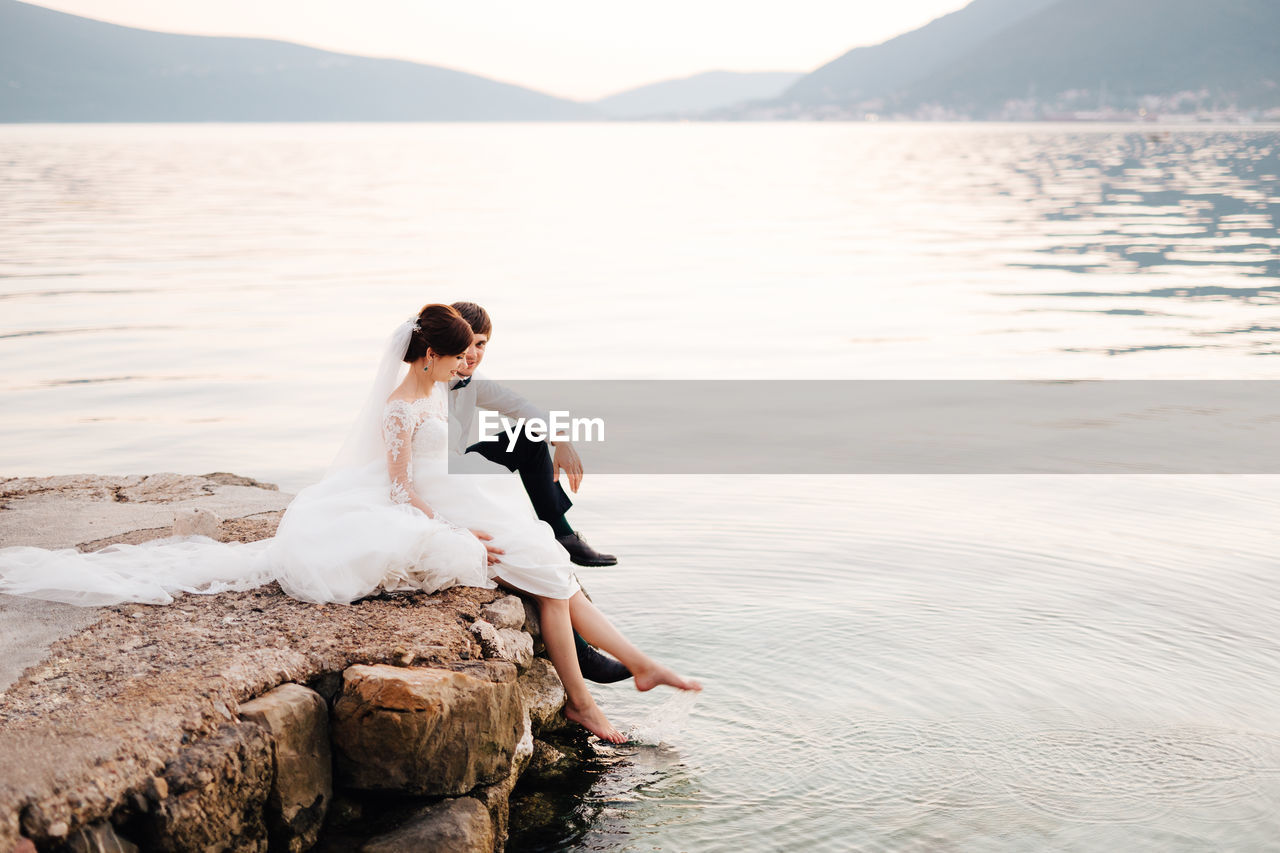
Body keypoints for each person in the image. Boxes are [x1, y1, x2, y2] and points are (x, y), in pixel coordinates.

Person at [0, 304, 701, 742]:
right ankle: (599, 693)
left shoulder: (445, 388)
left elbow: (500, 400)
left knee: (550, 564)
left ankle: (628, 669)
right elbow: (399, 486)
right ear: (428, 353)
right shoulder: (402, 407)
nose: (470, 365)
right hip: (439, 505)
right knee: (548, 568)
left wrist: (543, 436)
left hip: (463, 495)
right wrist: (447, 532)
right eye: (461, 354)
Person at [446, 301, 617, 568]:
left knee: (530, 436)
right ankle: (556, 536)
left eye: (480, 344)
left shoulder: (474, 381)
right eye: (466, 343)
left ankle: (562, 534)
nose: (472, 354)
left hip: (456, 464)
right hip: (431, 475)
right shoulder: (423, 383)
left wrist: (561, 440)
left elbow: (520, 405)